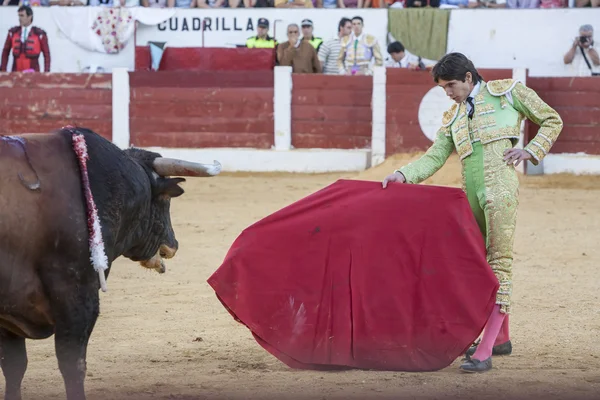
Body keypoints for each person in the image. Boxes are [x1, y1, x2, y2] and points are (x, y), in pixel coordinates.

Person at [381, 52, 563, 373]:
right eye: (443, 89)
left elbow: (551, 118)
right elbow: (435, 157)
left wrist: (531, 150)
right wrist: (403, 174)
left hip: (500, 191)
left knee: (499, 264)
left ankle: (487, 348)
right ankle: (502, 337)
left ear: (468, 78)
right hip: (470, 199)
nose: (448, 93)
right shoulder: (453, 117)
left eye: (451, 85)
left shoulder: (508, 93)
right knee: (476, 265)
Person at [1, 5, 50, 73]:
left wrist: (46, 72)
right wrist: (3, 70)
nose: (19, 18)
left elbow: (46, 55)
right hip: (16, 72)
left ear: (30, 17)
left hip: (33, 74)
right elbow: (5, 52)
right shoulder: (12, 33)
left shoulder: (40, 34)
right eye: (19, 16)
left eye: (22, 16)